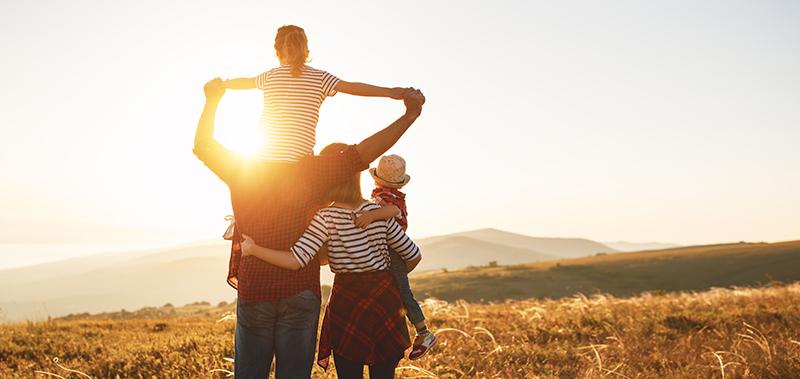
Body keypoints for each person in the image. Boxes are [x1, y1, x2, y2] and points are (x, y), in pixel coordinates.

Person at [193, 78, 424, 379]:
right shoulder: (316, 173)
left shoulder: (243, 167)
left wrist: (212, 100)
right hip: (300, 291)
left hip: (255, 288)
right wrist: (408, 115)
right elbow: (363, 154)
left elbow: (203, 145)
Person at [240, 144, 422, 378]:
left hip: (348, 301)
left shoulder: (325, 217)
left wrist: (254, 249)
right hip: (384, 301)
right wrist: (388, 280)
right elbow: (413, 254)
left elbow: (297, 260)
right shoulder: (379, 212)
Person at [222, 24, 409, 162]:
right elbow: (353, 87)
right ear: (305, 50)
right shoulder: (320, 78)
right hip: (299, 163)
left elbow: (244, 82)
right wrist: (391, 92)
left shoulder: (270, 76)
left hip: (262, 161)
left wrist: (223, 84)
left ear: (277, 51)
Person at [354, 154, 437, 360]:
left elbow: (391, 211)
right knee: (395, 291)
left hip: (393, 249)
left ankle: (423, 333)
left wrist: (371, 216)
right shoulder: (385, 194)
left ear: (376, 178)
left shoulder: (389, 199)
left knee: (402, 292)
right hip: (389, 248)